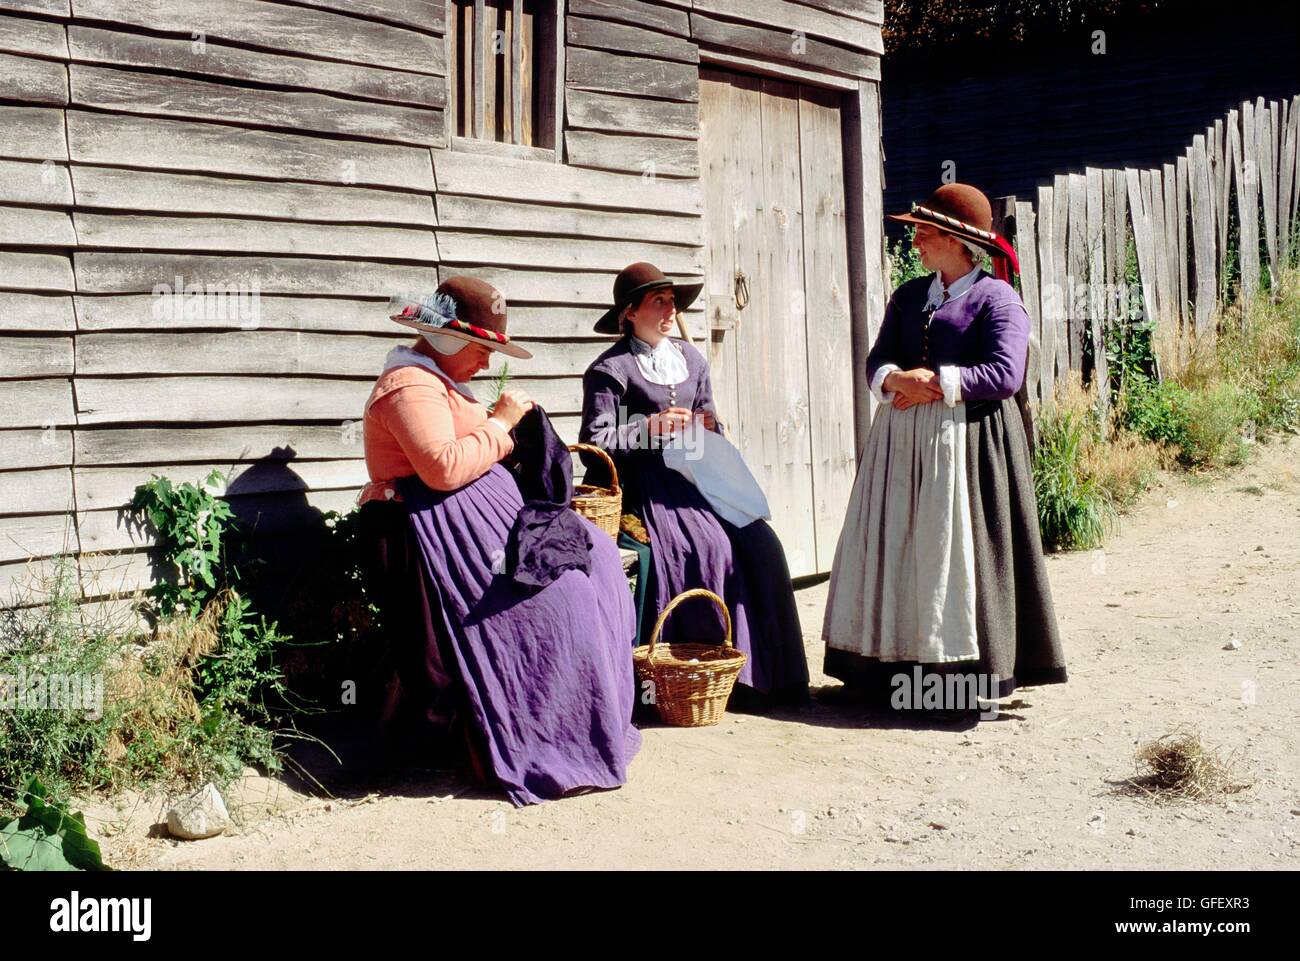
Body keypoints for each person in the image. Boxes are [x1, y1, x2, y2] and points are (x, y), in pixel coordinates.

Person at [357, 275, 640, 804]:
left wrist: (511, 433)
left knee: (599, 561)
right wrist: (502, 422)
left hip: (477, 519)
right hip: (436, 531)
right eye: (481, 348)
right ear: (448, 339)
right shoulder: (408, 386)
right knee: (563, 600)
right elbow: (441, 468)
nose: (487, 363)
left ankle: (591, 724)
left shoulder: (438, 382)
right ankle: (538, 734)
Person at [821, 184, 1068, 718]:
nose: (915, 243)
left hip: (970, 446)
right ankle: (890, 672)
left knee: (956, 552)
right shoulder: (910, 296)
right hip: (903, 446)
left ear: (959, 241)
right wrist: (894, 379)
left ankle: (959, 675)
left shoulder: (997, 298)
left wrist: (935, 382)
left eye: (924, 233)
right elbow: (877, 359)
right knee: (901, 549)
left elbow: (1006, 373)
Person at [579, 262, 809, 709]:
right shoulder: (610, 369)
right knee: (707, 547)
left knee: (761, 544)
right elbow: (596, 440)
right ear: (629, 313)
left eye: (672, 302)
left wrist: (704, 426)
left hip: (698, 475)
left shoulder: (690, 359)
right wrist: (651, 426)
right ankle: (685, 674)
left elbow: (711, 424)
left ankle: (763, 675)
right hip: (643, 483)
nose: (670, 310)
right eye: (658, 302)